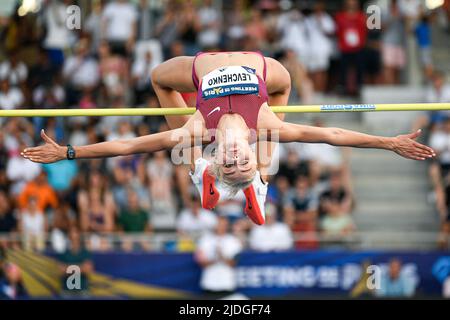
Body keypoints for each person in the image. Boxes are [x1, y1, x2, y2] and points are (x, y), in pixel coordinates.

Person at [22, 51, 436, 227]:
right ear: (251, 160)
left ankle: (199, 172)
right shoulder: (267, 126)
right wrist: (388, 142)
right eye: (246, 163)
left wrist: (70, 151)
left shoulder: (198, 129)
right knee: (283, 92)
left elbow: (128, 146)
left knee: (158, 80)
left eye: (230, 164)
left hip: (202, 69)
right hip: (266, 72)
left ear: (219, 158)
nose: (238, 156)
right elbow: (332, 133)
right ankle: (261, 187)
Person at [195, 216, 242, 299]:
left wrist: (222, 256)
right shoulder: (205, 240)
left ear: (227, 226)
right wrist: (215, 257)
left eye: (224, 224)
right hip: (209, 284)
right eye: (219, 224)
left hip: (227, 284)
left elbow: (233, 263)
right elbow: (201, 263)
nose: (221, 227)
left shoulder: (234, 241)